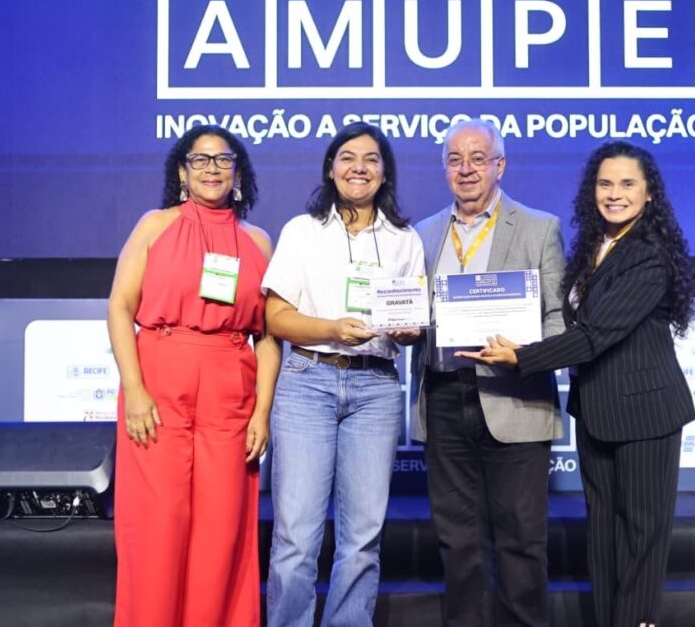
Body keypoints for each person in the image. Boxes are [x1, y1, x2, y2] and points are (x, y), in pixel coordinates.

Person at [459, 141, 695, 627]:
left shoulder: (649, 255)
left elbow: (595, 335)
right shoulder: (595, 247)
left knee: (641, 538)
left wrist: (521, 357)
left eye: (627, 184)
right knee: (604, 538)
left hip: (646, 415)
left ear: (649, 193)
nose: (614, 194)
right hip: (597, 412)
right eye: (605, 184)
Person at [108, 124, 278, 627]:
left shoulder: (258, 241)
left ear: (238, 173)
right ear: (182, 173)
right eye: (199, 160)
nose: (211, 168)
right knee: (158, 525)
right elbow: (120, 308)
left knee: (221, 529)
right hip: (159, 385)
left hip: (231, 391)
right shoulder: (155, 226)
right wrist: (135, 390)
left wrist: (262, 413)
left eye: (223, 159)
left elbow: (269, 336)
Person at [263, 122, 425, 627]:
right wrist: (331, 328)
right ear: (331, 170)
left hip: (376, 387)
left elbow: (413, 321)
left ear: (385, 173)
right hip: (307, 380)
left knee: (361, 537)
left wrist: (409, 331)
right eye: (348, 157)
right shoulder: (302, 231)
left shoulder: (404, 240)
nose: (360, 167)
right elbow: (275, 318)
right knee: (295, 535)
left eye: (371, 159)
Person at [409, 119, 565, 627]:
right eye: (455, 159)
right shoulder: (422, 234)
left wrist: (523, 353)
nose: (466, 169)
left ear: (500, 165)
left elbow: (558, 318)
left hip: (515, 394)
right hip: (444, 396)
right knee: (458, 542)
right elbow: (412, 314)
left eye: (478, 158)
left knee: (521, 540)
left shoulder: (539, 227)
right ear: (444, 169)